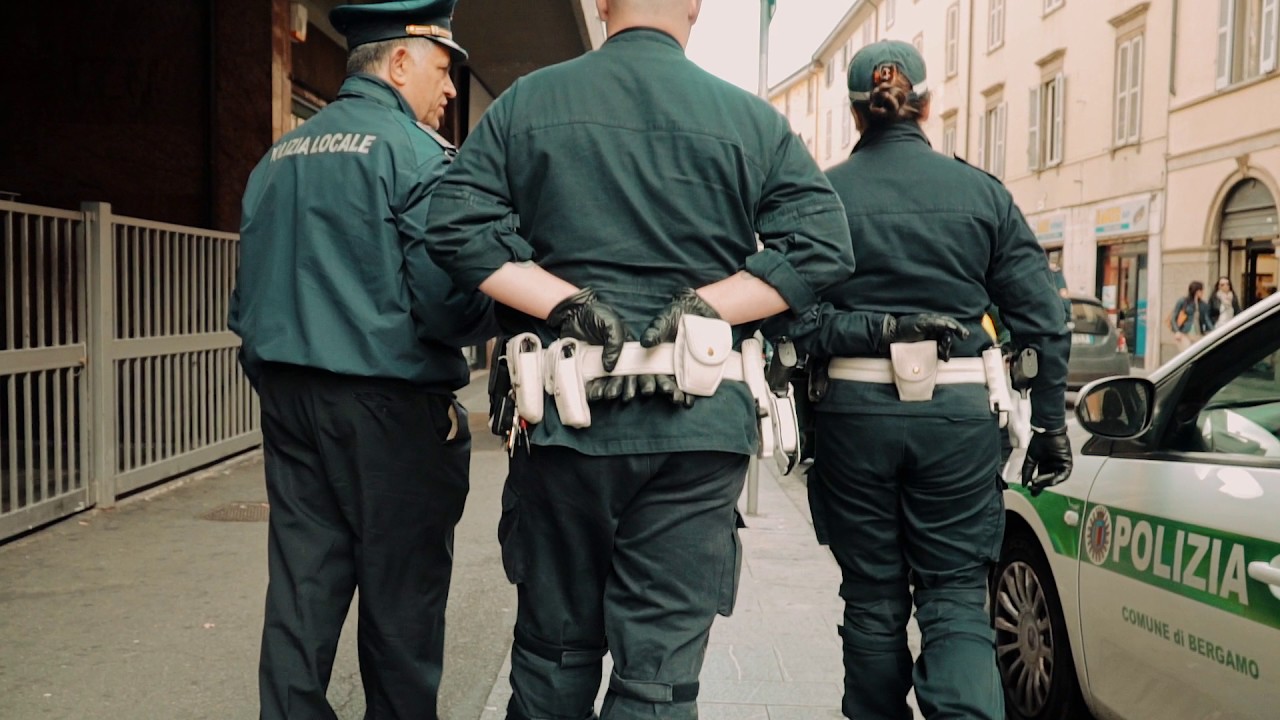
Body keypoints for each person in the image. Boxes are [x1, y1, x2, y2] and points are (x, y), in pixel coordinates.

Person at [423, 1, 855, 717]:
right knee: (657, 685)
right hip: (697, 431)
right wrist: (707, 305)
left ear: (600, 4)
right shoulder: (749, 120)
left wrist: (565, 303)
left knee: (554, 662)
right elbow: (823, 246)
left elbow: (455, 227)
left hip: (565, 424)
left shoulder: (530, 102)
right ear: (695, 5)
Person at [785, 41, 1072, 719]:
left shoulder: (823, 196)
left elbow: (792, 323)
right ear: (927, 104)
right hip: (958, 418)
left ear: (856, 112)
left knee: (872, 600)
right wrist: (1049, 426)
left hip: (854, 415)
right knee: (955, 597)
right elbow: (1045, 321)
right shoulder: (981, 193)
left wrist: (869, 329)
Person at [228, 2, 495, 717]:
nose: (450, 89)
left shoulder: (276, 159)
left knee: (301, 594)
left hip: (289, 403)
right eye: (443, 69)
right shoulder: (418, 156)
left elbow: (246, 303)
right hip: (391, 413)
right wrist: (506, 303)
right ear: (400, 61)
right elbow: (447, 307)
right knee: (402, 607)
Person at [1169, 280, 1211, 351]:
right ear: (1196, 291)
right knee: (1187, 351)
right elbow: (1173, 317)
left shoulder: (1203, 304)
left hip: (1198, 333)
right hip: (1184, 333)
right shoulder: (1183, 301)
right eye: (1201, 290)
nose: (1202, 292)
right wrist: (1177, 331)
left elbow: (1207, 319)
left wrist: (1213, 330)